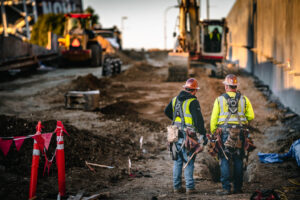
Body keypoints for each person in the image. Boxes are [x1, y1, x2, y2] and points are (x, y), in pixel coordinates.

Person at [210, 74, 255, 195]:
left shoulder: (219, 99)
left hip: (224, 133)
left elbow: (214, 119)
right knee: (238, 159)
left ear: (226, 86)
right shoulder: (244, 99)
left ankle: (226, 188)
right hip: (240, 133)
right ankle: (238, 188)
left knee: (224, 160)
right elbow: (251, 116)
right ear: (235, 86)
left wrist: (214, 131)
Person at [164, 78, 207, 194]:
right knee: (189, 161)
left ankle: (177, 187)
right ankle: (190, 187)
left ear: (185, 88)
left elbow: (166, 111)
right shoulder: (193, 102)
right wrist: (203, 135)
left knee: (177, 161)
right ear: (194, 90)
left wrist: (177, 120)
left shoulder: (175, 100)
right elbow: (199, 122)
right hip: (188, 137)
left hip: (174, 134)